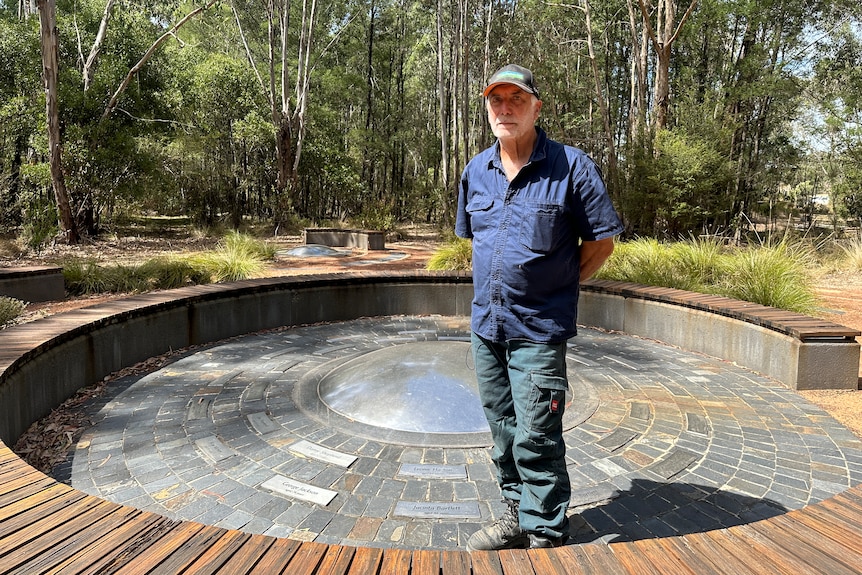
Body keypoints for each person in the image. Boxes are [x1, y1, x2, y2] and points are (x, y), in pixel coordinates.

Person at [455, 64, 623, 550]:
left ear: (535, 107)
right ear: (488, 108)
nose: (505, 109)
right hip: (487, 327)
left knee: (538, 436)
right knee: (503, 433)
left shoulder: (571, 166)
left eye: (516, 99)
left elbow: (601, 242)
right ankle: (515, 514)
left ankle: (546, 534)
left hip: (539, 330)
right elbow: (478, 243)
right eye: (496, 100)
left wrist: (559, 287)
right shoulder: (475, 172)